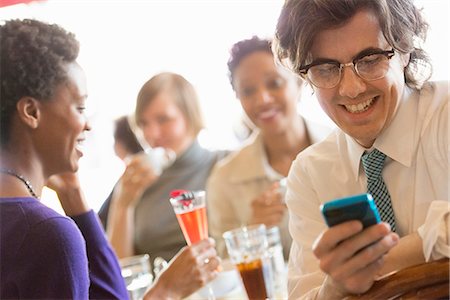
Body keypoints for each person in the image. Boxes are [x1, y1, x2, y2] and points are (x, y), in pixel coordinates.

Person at [0, 18, 220, 300]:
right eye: (80, 107)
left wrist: (73, 194)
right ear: (31, 112)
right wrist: (166, 291)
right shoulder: (47, 233)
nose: (87, 125)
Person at [273, 0, 449, 299]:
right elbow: (304, 293)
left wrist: (383, 263)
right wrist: (335, 287)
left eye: (369, 59)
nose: (351, 89)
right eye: (326, 68)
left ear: (404, 49)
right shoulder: (310, 173)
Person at [206, 36, 332, 259]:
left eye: (274, 83)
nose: (262, 99)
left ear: (299, 82)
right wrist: (251, 231)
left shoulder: (340, 146)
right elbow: (221, 266)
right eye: (248, 91)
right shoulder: (224, 178)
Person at [99, 72, 228, 261]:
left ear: (190, 116)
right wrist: (123, 204)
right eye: (143, 123)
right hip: (155, 288)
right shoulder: (133, 180)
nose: (152, 134)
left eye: (163, 119)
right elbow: (119, 271)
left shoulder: (224, 164)